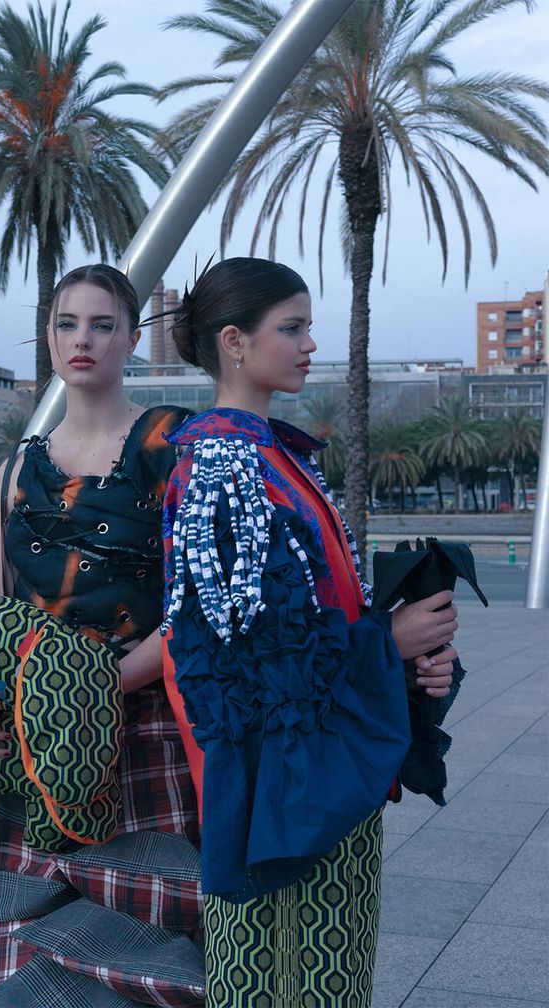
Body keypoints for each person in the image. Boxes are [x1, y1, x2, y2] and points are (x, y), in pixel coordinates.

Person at [160, 257, 459, 1007]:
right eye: (291, 328)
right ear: (234, 342)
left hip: (313, 775)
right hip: (284, 791)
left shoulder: (267, 455)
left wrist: (400, 654)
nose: (309, 344)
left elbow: (305, 624)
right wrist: (386, 645)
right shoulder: (227, 467)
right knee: (293, 982)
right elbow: (243, 660)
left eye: (308, 327)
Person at [0, 264, 202, 1008]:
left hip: (144, 739)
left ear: (132, 338)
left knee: (141, 960)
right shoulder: (17, 471)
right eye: (68, 323)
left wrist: (90, 688)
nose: (84, 339)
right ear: (48, 337)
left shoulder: (171, 443)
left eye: (103, 324)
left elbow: (198, 609)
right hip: (32, 747)